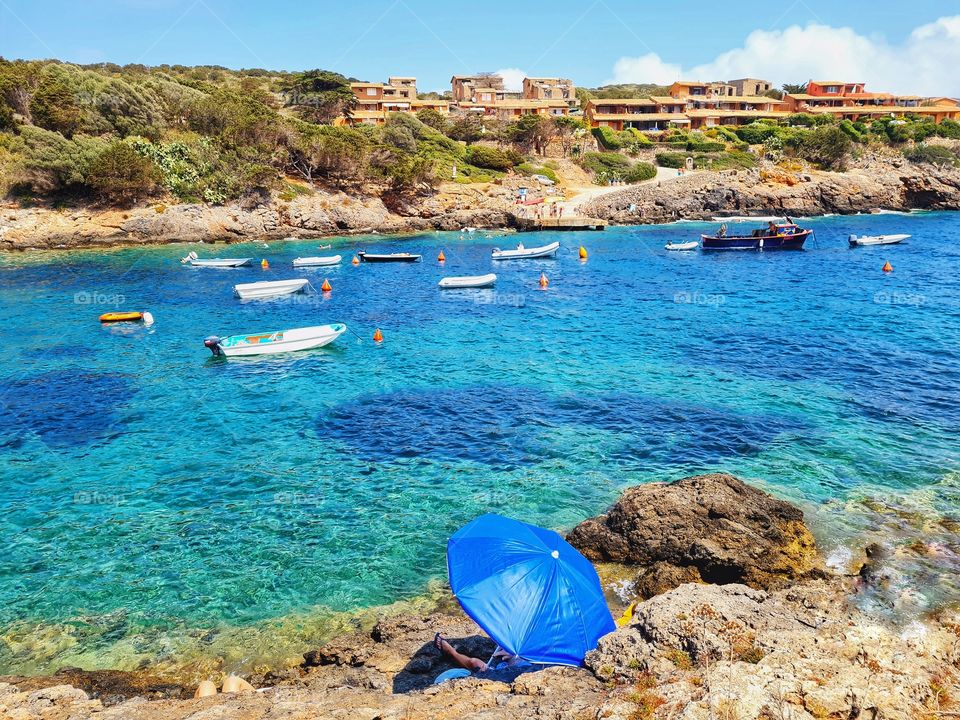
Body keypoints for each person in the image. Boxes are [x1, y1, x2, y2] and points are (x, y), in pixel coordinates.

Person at [433, 633, 528, 678]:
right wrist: (513, 653)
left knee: (475, 663)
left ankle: (452, 652)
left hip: (511, 673)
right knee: (474, 662)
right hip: (514, 659)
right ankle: (453, 653)